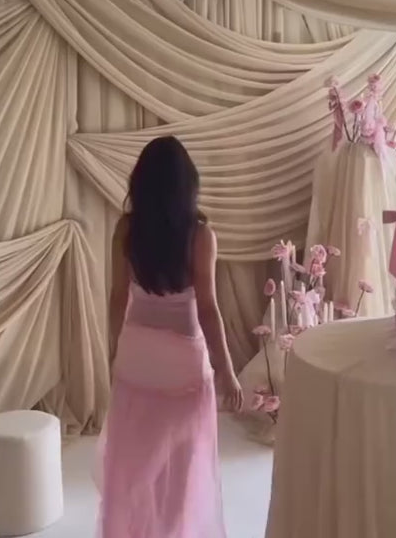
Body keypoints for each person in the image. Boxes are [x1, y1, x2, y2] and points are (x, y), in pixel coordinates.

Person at [98, 136, 243, 538]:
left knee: (134, 463)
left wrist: (114, 350)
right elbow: (208, 309)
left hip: (137, 355)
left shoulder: (126, 229)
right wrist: (227, 371)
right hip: (183, 361)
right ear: (188, 185)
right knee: (183, 466)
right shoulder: (201, 236)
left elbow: (117, 296)